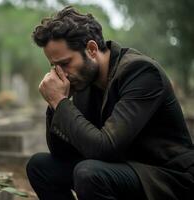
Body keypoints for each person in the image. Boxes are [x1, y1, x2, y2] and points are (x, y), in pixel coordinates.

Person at [26, 6, 194, 200]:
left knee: (88, 172)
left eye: (65, 63)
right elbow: (61, 152)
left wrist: (60, 101)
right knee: (40, 166)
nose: (61, 73)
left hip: (165, 176)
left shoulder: (141, 72)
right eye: (54, 66)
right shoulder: (84, 79)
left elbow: (104, 148)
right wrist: (55, 105)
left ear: (91, 49)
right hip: (121, 166)